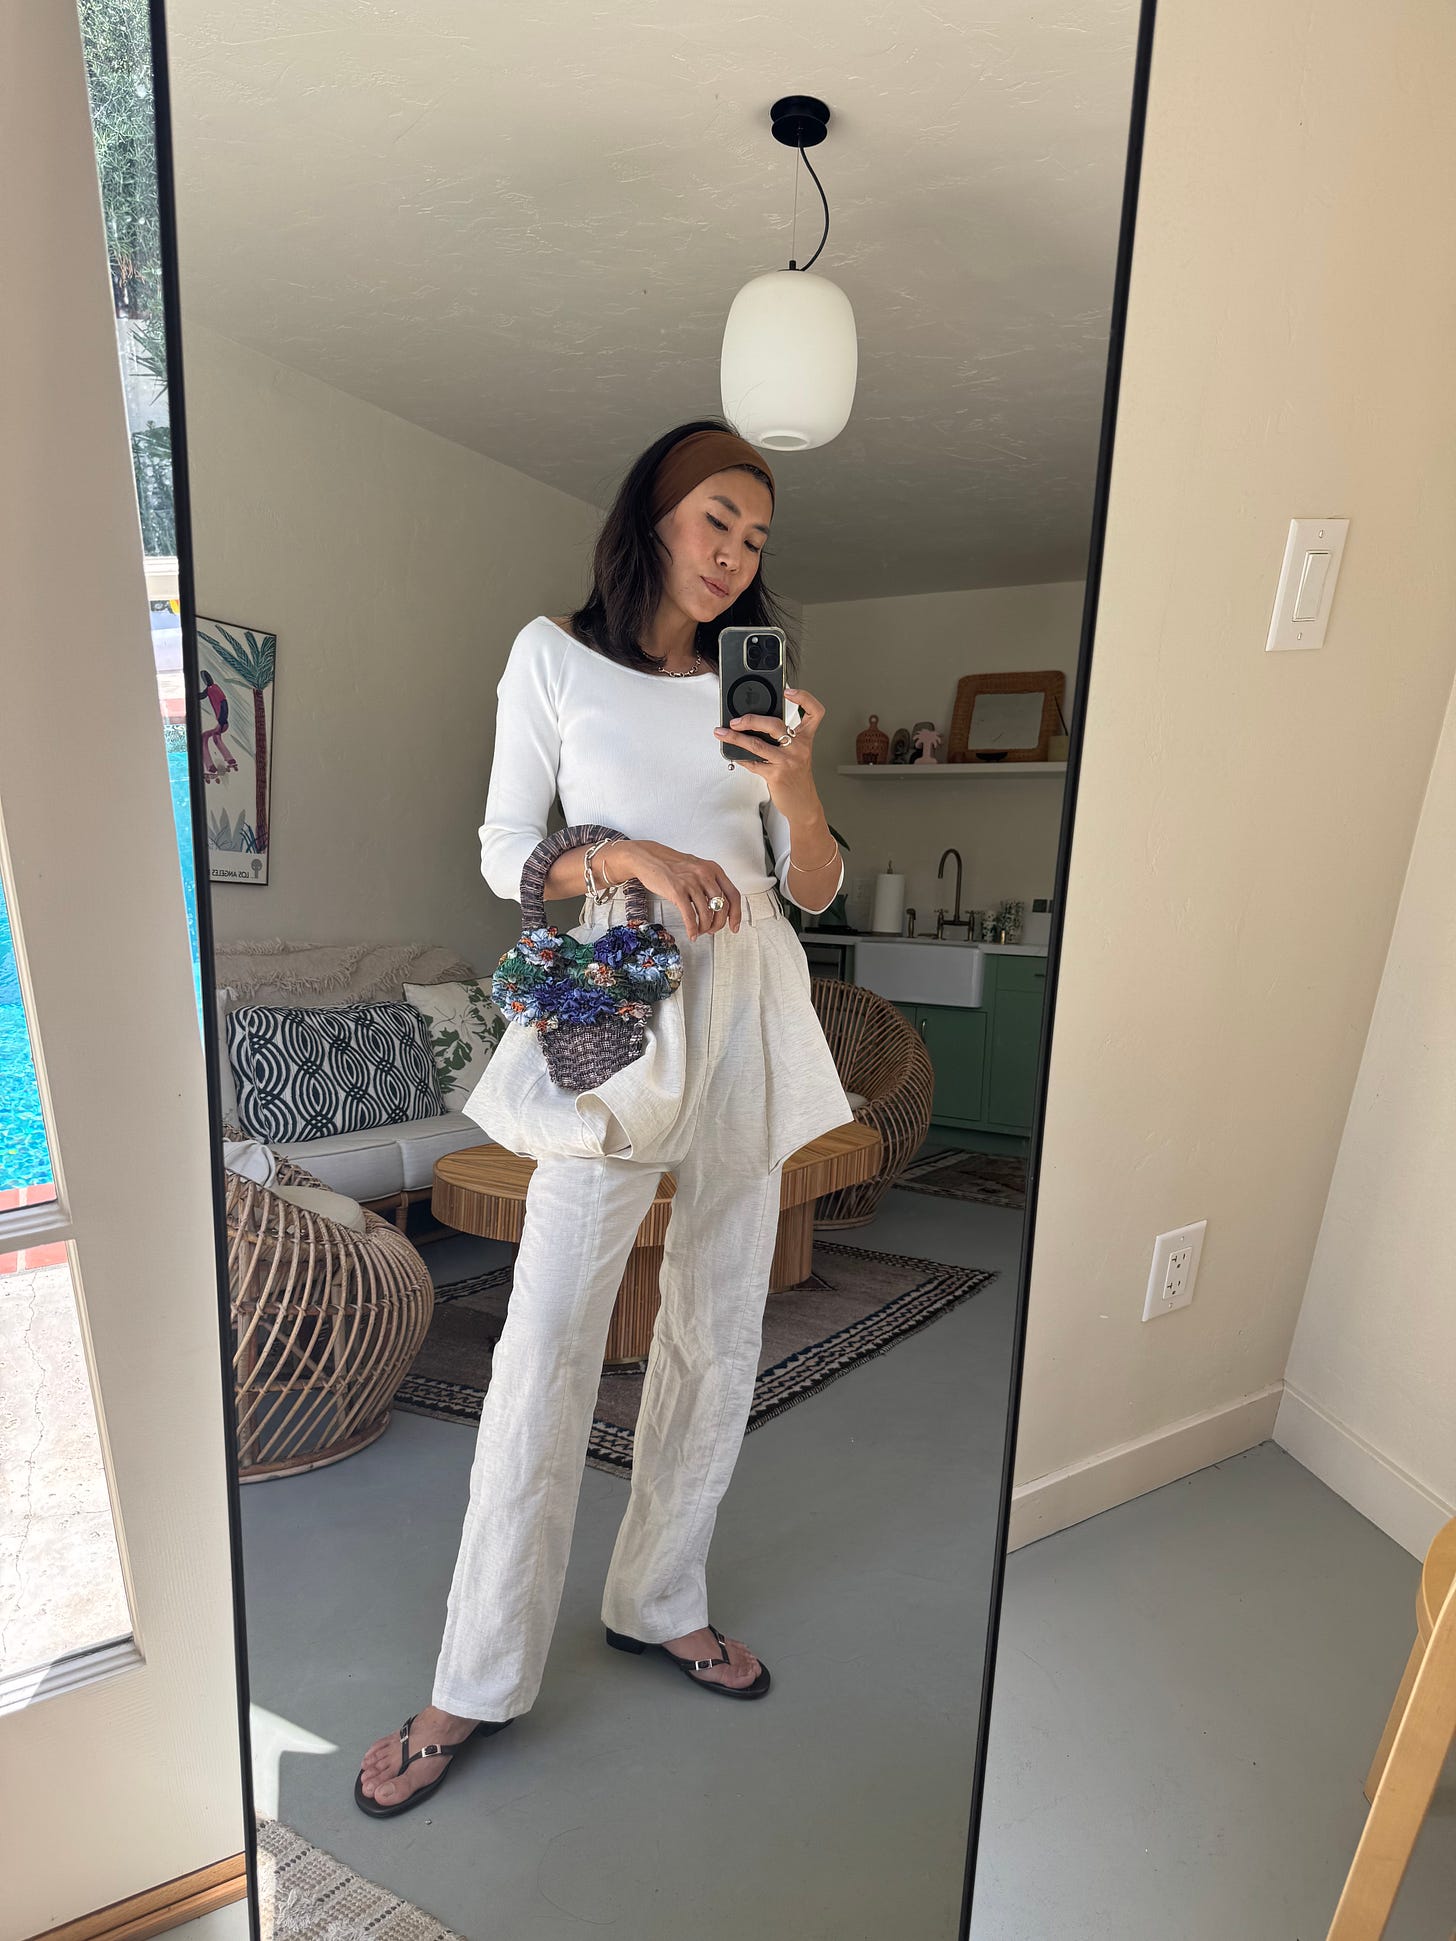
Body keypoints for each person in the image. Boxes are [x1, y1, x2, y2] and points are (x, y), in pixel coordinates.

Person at [356, 419, 855, 1816]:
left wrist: (795, 785)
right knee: (547, 1339)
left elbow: (813, 887)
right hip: (621, 994)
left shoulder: (758, 694)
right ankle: (474, 1675)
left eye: (756, 538)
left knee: (722, 1312)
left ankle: (660, 1596)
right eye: (715, 520)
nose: (734, 554)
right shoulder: (552, 658)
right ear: (653, 514)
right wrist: (624, 851)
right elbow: (505, 851)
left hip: (749, 995)